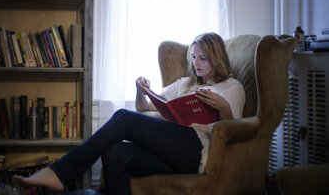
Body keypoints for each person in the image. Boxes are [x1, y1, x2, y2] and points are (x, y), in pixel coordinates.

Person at [12, 32, 246, 195]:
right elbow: (144, 108)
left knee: (123, 118)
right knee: (115, 152)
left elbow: (233, 133)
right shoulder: (184, 84)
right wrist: (140, 90)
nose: (197, 63)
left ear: (216, 57)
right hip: (173, 153)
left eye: (203, 58)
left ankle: (60, 172)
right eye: (193, 57)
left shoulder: (231, 86)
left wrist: (223, 108)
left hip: (200, 153)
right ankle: (61, 175)